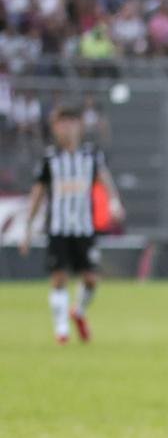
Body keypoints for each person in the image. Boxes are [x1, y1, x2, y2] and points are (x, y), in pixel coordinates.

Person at [20, 105, 124, 344]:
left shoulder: (90, 156)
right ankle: (61, 330)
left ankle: (78, 311)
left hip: (84, 228)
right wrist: (28, 228)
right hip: (58, 228)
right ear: (55, 128)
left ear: (80, 125)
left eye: (71, 122)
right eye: (61, 123)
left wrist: (115, 202)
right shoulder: (50, 159)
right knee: (59, 277)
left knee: (90, 279)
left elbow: (105, 179)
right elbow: (37, 194)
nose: (66, 128)